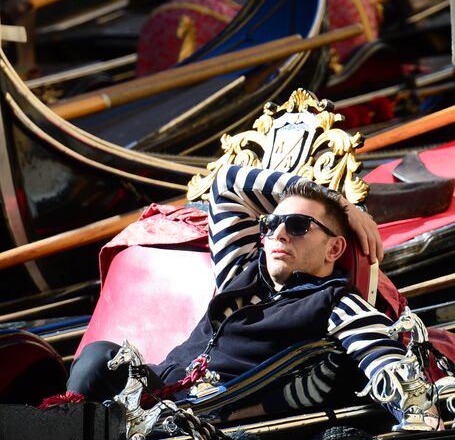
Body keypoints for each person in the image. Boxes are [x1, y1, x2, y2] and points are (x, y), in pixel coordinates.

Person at [67, 166, 436, 425]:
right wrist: (336, 200)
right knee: (98, 356)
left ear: (334, 249)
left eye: (297, 226)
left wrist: (422, 417)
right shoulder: (239, 274)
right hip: (152, 389)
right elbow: (226, 183)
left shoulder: (335, 302)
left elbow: (386, 363)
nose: (278, 234)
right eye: (271, 224)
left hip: (198, 418)